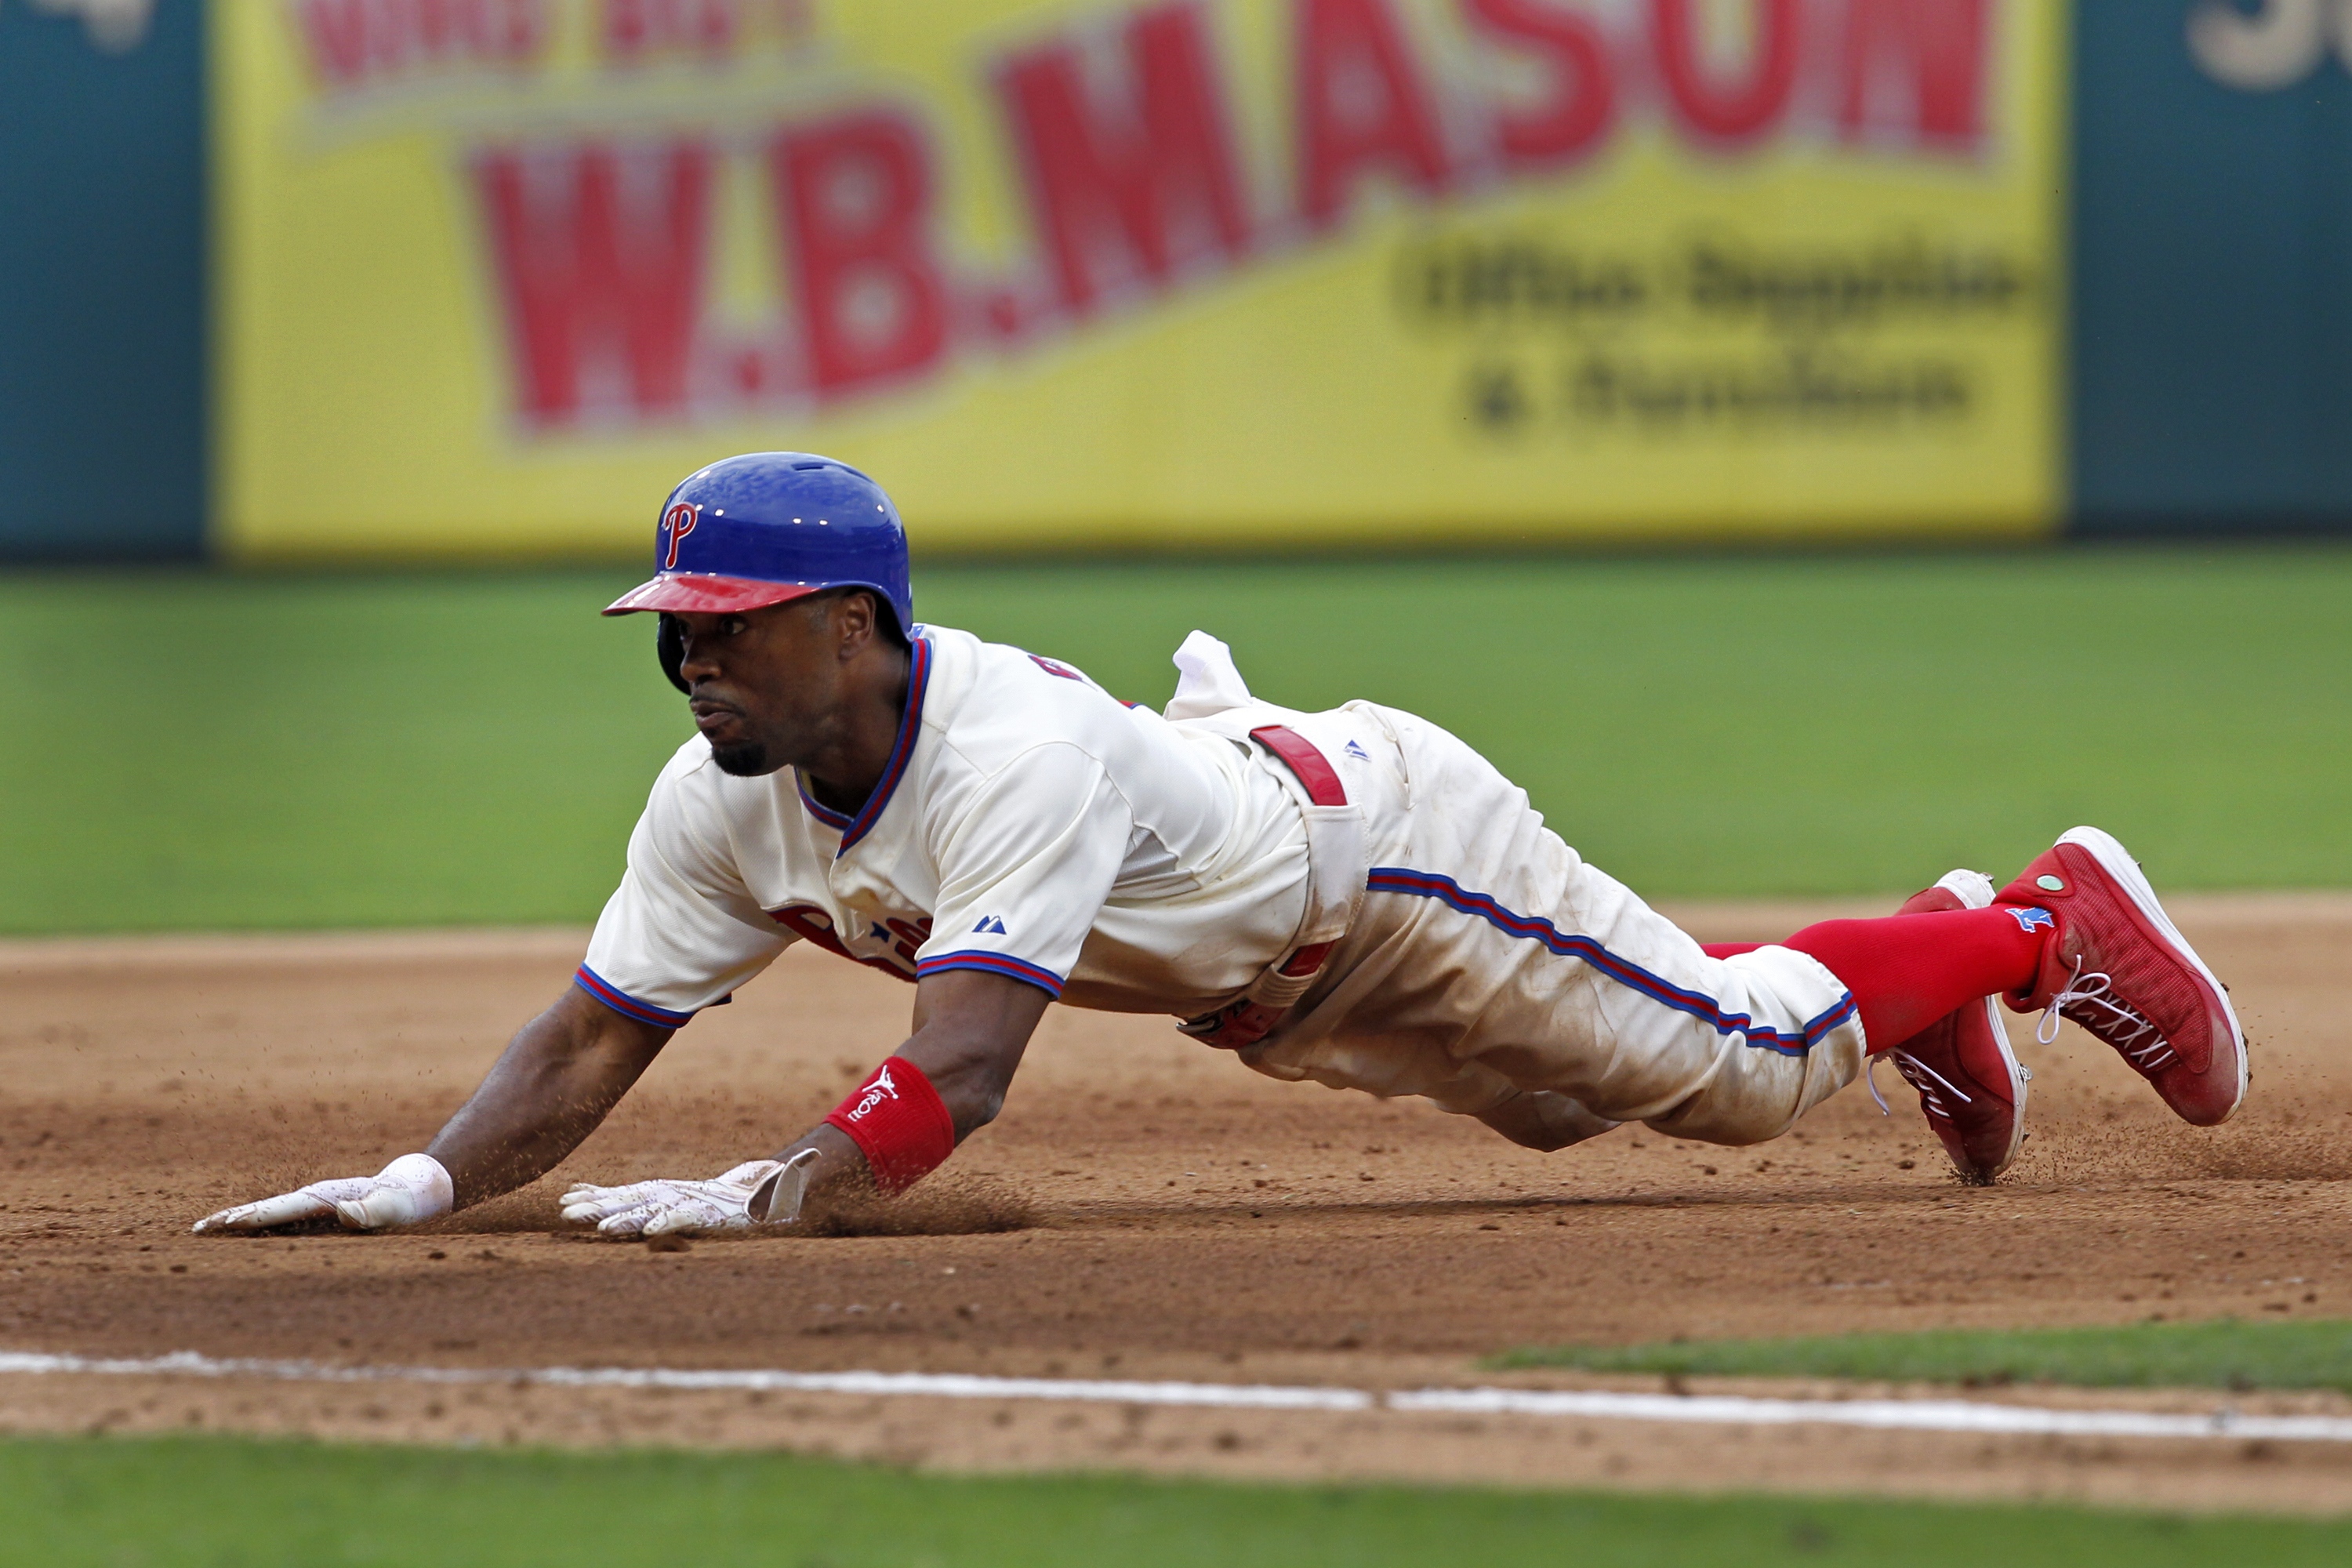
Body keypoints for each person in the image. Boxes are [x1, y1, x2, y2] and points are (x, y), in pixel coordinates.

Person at [194, 453, 2249, 1240]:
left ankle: (2018, 930)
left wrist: (773, 1198)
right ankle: (1925, 983)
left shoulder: (1000, 751)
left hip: (1395, 867)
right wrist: (419, 1181)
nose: (693, 668)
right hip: (1264, 963)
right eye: (679, 635)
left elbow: (965, 1076)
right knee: (1567, 1124)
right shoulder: (719, 802)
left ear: (857, 633)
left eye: (727, 632)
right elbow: (591, 1034)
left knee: (1734, 1079)